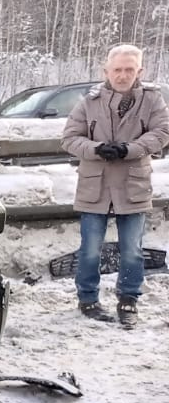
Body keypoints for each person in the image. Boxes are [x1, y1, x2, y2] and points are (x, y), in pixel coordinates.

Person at [61, 43, 169, 327]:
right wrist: (96, 148)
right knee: (90, 249)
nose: (122, 75)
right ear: (106, 70)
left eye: (129, 70)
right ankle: (88, 299)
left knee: (132, 248)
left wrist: (129, 149)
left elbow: (162, 132)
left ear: (139, 71)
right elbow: (70, 138)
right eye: (117, 69)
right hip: (94, 186)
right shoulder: (89, 101)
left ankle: (128, 299)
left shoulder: (152, 100)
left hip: (133, 185)